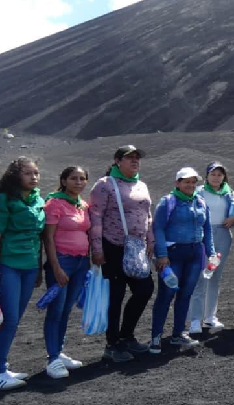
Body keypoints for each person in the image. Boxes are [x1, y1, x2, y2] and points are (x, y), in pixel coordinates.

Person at [88, 145, 154, 362]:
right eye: (129, 158)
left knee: (145, 289)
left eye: (137, 158)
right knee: (115, 295)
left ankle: (127, 335)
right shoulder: (105, 185)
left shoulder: (141, 185)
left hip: (137, 247)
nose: (135, 161)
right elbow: (96, 216)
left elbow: (148, 215)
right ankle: (112, 344)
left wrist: (151, 241)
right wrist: (97, 248)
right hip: (113, 246)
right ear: (117, 161)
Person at [0, 157, 44, 390]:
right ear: (15, 175)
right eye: (28, 173)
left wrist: (38, 268)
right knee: (8, 320)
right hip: (7, 264)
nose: (33, 177)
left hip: (29, 266)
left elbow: (38, 237)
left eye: (36, 173)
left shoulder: (38, 200)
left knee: (14, 319)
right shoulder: (3, 199)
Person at [149, 167, 214, 354]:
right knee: (166, 295)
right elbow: (158, 228)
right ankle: (156, 337)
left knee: (186, 295)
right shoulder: (168, 202)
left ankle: (178, 333)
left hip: (195, 253)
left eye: (193, 182)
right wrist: (162, 255)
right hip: (173, 255)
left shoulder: (200, 201)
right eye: (186, 182)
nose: (190, 185)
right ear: (177, 183)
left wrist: (211, 252)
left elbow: (207, 229)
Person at [42, 166, 91, 379]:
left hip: (81, 262)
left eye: (82, 179)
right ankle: (52, 358)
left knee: (66, 310)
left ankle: (58, 352)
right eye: (73, 178)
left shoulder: (83, 205)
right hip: (62, 261)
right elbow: (48, 238)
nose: (78, 182)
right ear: (63, 181)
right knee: (56, 309)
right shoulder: (54, 203)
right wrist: (56, 267)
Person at [188, 162, 234, 334]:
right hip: (203, 237)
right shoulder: (199, 192)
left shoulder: (229, 194)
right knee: (200, 277)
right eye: (213, 174)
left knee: (214, 275)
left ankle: (210, 316)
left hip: (222, 236)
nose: (216, 178)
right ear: (207, 176)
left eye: (219, 174)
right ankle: (195, 319)